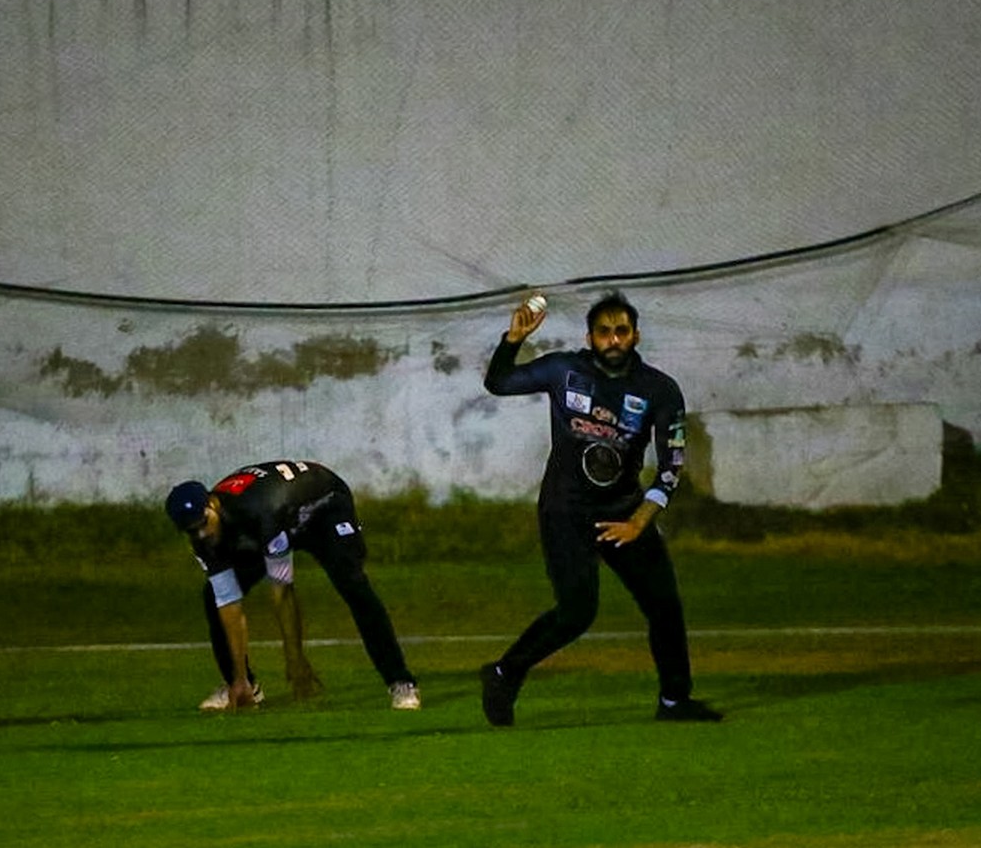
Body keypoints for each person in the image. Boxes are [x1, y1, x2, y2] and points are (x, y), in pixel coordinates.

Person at [478, 291, 721, 726]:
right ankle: (504, 673)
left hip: (624, 510)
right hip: (565, 511)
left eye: (622, 331)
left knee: (664, 605)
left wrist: (638, 522)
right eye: (604, 332)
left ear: (636, 336)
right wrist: (512, 340)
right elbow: (499, 383)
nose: (613, 339)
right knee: (576, 612)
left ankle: (674, 701)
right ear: (589, 337)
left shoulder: (659, 389)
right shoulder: (563, 370)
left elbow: (671, 466)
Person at [165, 460, 421, 712]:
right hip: (277, 521)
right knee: (213, 597)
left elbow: (282, 590)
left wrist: (295, 657)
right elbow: (228, 602)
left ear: (213, 504)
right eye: (191, 531)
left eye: (203, 524)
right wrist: (239, 677)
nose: (201, 534)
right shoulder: (203, 538)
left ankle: (401, 681)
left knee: (353, 584)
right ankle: (244, 686)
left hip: (325, 508)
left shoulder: (262, 512)